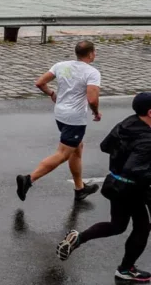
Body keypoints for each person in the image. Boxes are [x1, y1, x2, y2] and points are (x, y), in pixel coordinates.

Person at [56, 92, 151, 283]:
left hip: (114, 184)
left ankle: (79, 238)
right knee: (142, 227)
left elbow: (105, 145)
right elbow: (134, 170)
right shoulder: (147, 140)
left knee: (117, 226)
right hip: (131, 189)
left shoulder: (128, 123)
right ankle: (125, 269)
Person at [17, 41, 101, 202]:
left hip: (60, 114)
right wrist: (96, 112)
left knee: (77, 148)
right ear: (90, 54)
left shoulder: (61, 65)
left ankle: (80, 188)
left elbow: (40, 82)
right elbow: (92, 98)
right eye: (94, 52)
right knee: (63, 154)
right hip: (75, 119)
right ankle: (29, 179)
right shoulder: (92, 73)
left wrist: (52, 94)